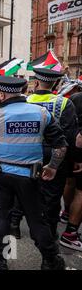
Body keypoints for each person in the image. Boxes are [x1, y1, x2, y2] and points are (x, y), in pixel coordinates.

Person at [0, 75, 67, 270]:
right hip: (30, 176)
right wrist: (52, 166)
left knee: (1, 217)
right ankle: (51, 260)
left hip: (0, 175)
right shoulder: (42, 113)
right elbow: (60, 145)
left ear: (2, 94)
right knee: (37, 219)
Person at [10, 69, 81, 241]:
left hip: (26, 153)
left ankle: (14, 224)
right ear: (56, 84)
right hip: (53, 154)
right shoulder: (64, 103)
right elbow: (69, 136)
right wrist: (76, 159)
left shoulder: (24, 101)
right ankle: (48, 231)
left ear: (36, 83)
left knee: (22, 189)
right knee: (52, 194)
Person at [59, 89, 82, 251]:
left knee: (70, 181)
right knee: (81, 191)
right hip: (78, 147)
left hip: (70, 146)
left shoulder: (74, 97)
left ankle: (67, 213)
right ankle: (71, 233)